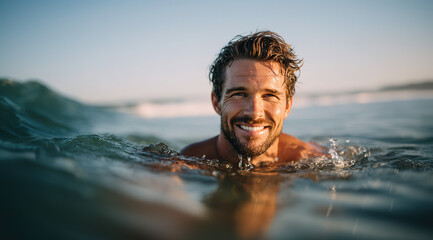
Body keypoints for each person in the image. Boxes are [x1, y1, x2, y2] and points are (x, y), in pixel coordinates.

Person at [181, 31, 325, 167]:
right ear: (216, 102)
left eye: (270, 96)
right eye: (239, 94)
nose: (255, 113)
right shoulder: (187, 164)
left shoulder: (310, 158)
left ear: (287, 106)